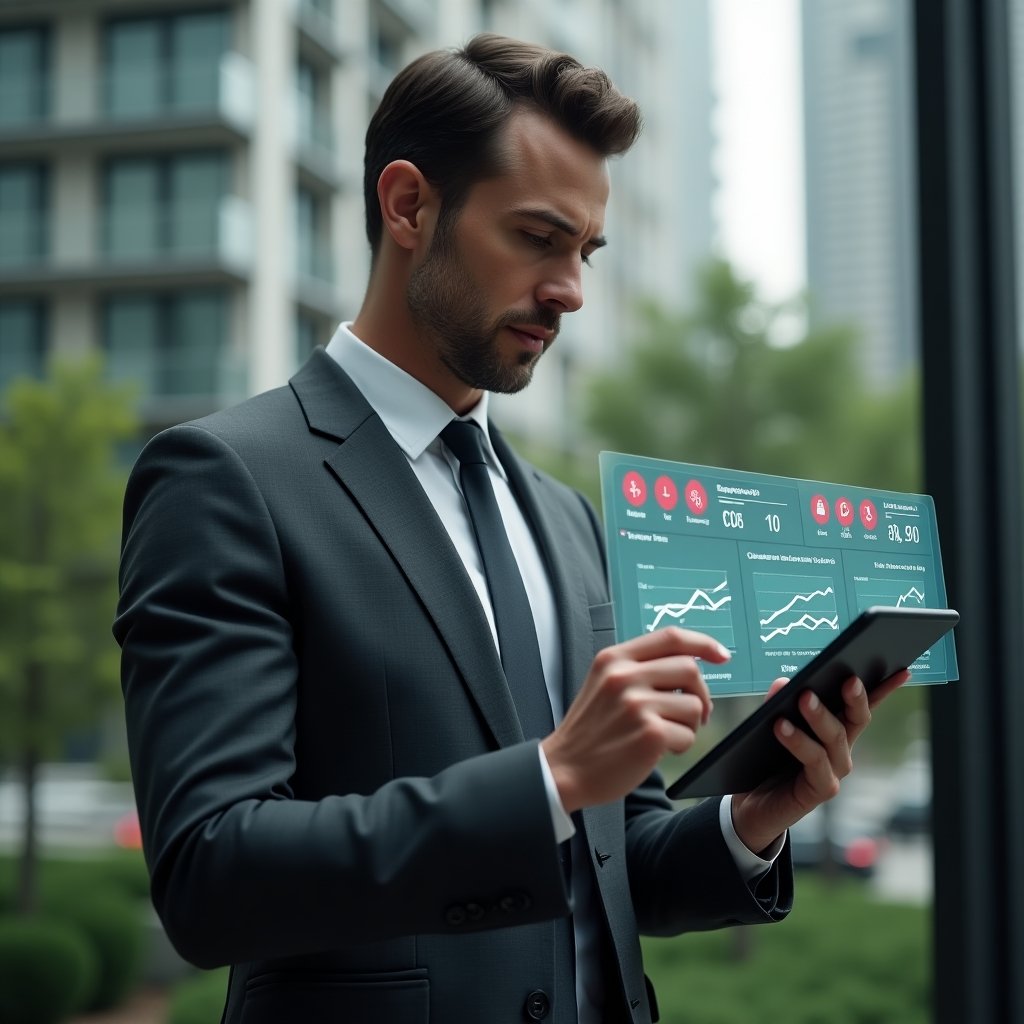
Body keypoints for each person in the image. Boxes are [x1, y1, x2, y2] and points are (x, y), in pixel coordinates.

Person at [114, 34, 907, 1024]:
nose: (571, 289)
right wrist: (549, 775)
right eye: (537, 238)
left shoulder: (566, 520)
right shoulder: (226, 481)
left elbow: (616, 861)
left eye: (584, 250)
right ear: (407, 205)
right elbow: (209, 873)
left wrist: (750, 820)